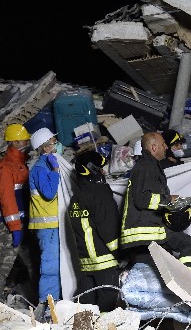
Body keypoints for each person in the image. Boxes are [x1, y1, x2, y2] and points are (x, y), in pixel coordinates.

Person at [119, 132, 191, 273]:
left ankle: (187, 282)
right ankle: (188, 282)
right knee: (188, 244)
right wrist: (169, 199)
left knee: (183, 247)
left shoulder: (148, 166)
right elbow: (142, 199)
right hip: (145, 235)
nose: (166, 147)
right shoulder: (147, 166)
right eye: (163, 144)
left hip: (149, 234)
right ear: (154, 147)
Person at [68, 151, 120, 312]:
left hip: (86, 264)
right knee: (107, 306)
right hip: (105, 262)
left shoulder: (75, 199)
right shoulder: (100, 194)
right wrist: (121, 254)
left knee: (86, 308)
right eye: (101, 168)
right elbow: (109, 229)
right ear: (92, 169)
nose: (104, 172)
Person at [28, 127, 61, 313]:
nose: (56, 145)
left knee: (55, 264)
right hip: (46, 226)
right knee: (50, 266)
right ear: (45, 147)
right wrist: (55, 170)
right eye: (54, 142)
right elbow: (49, 194)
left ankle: (54, 302)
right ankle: (48, 308)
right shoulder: (40, 169)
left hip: (53, 225)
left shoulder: (47, 166)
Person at [0, 124, 31, 299]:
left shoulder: (19, 163)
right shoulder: (6, 167)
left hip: (22, 223)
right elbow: (7, 199)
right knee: (3, 267)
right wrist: (14, 228)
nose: (27, 141)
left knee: (31, 263)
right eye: (25, 138)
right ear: (16, 141)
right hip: (10, 227)